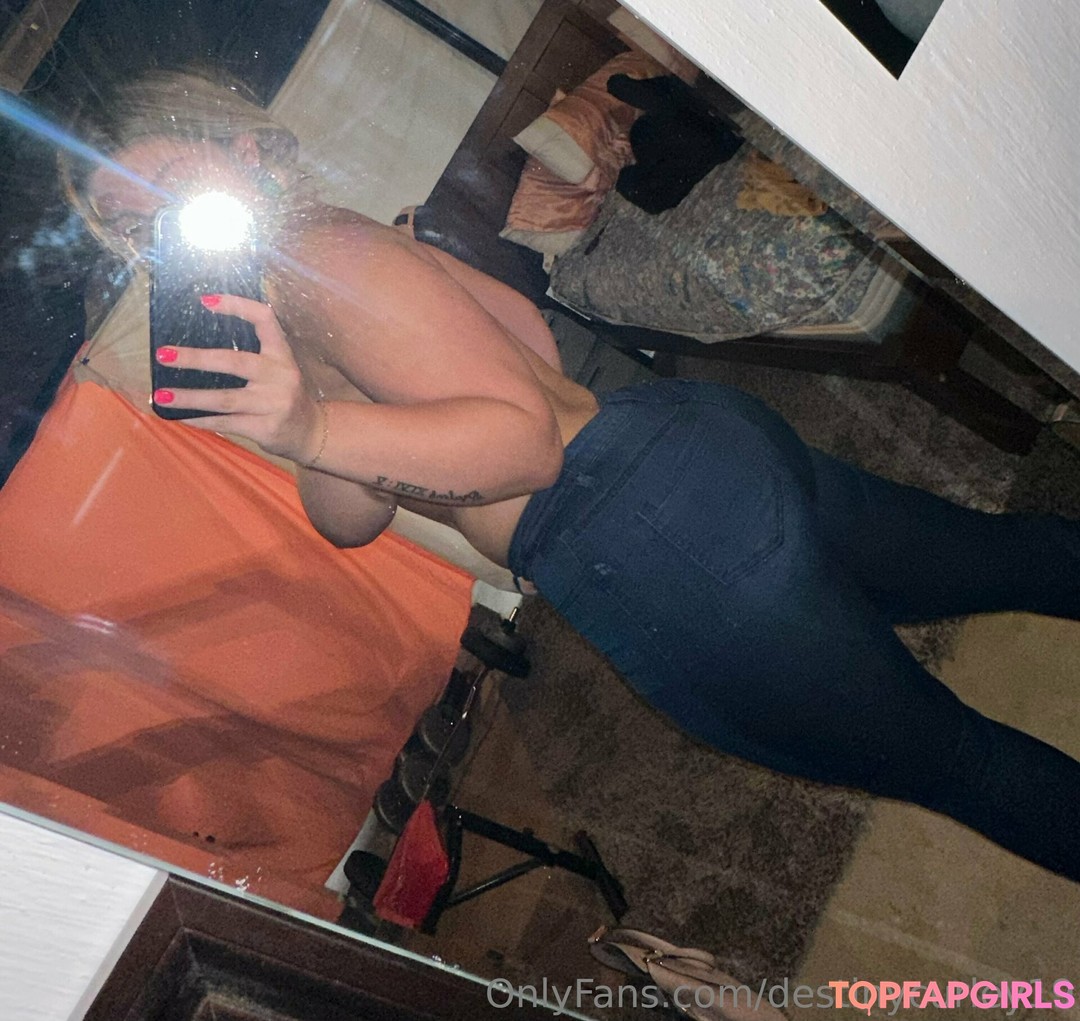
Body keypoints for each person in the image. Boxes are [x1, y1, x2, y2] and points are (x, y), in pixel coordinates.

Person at [67, 69, 1080, 883]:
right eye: (133, 222)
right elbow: (409, 460)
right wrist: (307, 425)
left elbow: (524, 449)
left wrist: (318, 420)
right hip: (686, 450)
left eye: (171, 184)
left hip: (638, 540)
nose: (158, 225)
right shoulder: (321, 263)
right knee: (995, 558)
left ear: (243, 150)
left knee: (960, 764)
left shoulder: (322, 265)